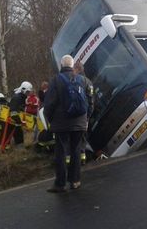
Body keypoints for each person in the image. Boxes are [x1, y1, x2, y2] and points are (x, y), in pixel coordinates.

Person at [44, 55, 93, 193]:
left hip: (61, 124)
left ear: (61, 65)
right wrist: (86, 118)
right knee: (76, 150)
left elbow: (49, 104)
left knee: (60, 152)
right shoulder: (83, 80)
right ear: (72, 65)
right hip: (80, 123)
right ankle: (75, 181)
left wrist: (50, 120)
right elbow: (90, 102)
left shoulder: (55, 80)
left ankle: (60, 184)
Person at [2, 81, 32, 148]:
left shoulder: (21, 97)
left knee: (17, 135)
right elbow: (13, 111)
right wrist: (19, 121)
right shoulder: (17, 98)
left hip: (15, 120)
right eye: (27, 92)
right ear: (23, 89)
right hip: (13, 121)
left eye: (28, 92)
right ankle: (9, 150)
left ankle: (15, 148)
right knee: (14, 135)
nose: (28, 94)